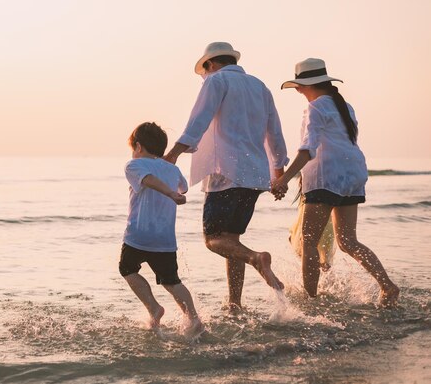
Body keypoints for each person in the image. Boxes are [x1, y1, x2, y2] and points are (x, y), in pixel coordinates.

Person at [164, 42, 289, 310]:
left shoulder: (216, 81)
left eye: (204, 72)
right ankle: (235, 303)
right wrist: (278, 170)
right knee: (232, 241)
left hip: (225, 173)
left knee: (213, 240)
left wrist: (174, 152)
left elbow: (198, 120)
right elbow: (274, 131)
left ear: (210, 64)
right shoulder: (259, 86)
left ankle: (257, 259)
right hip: (256, 176)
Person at [271, 58, 399, 307]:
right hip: (353, 174)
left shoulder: (315, 108)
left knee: (309, 242)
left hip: (326, 178)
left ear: (301, 86)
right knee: (349, 241)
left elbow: (308, 149)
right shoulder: (345, 106)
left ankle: (310, 301)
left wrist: (284, 179)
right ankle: (387, 286)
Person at [120, 122, 204, 338]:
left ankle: (154, 309)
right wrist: (172, 187)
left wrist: (169, 193)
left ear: (138, 147)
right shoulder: (172, 169)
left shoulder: (133, 165)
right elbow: (183, 187)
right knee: (171, 281)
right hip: (165, 239)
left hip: (138, 235)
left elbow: (148, 180)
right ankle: (193, 318)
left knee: (127, 268)